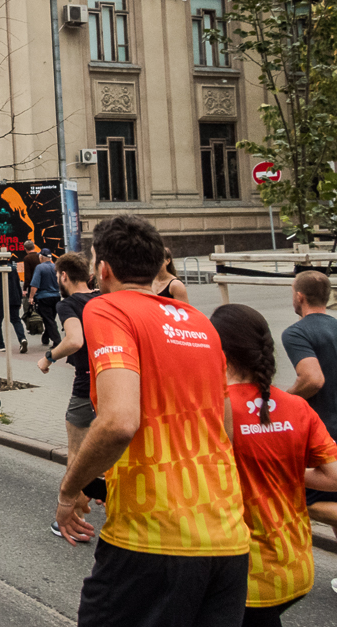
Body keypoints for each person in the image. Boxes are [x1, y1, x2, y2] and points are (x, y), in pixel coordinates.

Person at [55, 215, 250, 627]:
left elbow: (118, 422)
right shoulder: (199, 322)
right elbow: (226, 426)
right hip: (227, 538)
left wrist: (69, 490)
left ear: (103, 269)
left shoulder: (107, 308)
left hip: (152, 539)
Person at [211, 304, 337, 626]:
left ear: (219, 350)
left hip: (246, 574)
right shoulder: (297, 406)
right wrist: (288, 470)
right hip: (296, 567)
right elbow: (334, 477)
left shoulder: (213, 408)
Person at [37, 251, 102, 536]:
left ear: (63, 276)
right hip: (115, 380)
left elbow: (75, 340)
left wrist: (49, 357)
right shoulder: (103, 297)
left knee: (76, 451)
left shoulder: (69, 304)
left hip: (86, 384)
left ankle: (73, 517)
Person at [281, 269, 337, 542]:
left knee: (308, 502)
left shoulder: (297, 332)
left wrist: (285, 400)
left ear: (299, 296)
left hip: (323, 432)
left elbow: (312, 379)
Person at [0, 253, 26, 353]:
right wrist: (19, 299)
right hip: (13, 298)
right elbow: (17, 284)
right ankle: (22, 339)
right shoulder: (13, 269)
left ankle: (0, 344)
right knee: (16, 320)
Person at [26, 249, 62, 347]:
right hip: (56, 296)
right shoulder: (56, 267)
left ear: (41, 257)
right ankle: (45, 338)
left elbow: (35, 284)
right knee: (50, 318)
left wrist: (31, 297)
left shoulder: (40, 268)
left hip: (44, 297)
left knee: (48, 320)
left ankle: (57, 341)